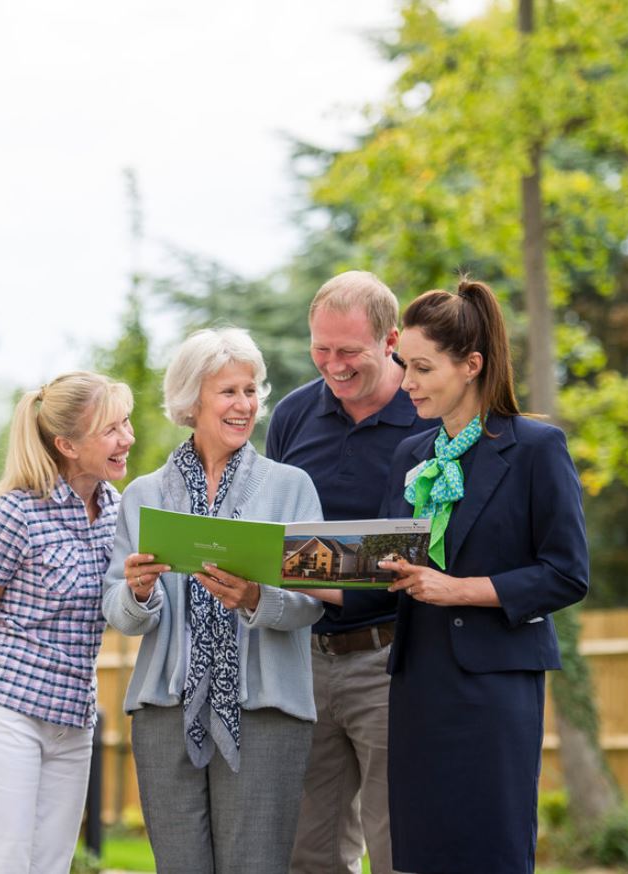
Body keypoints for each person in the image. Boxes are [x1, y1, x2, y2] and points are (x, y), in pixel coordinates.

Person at [333, 278, 590, 873]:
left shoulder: (536, 449)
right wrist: (275, 576)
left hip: (494, 687)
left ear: (471, 364)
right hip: (419, 678)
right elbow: (385, 567)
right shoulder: (410, 456)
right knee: (418, 854)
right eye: (403, 365)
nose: (407, 383)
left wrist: (458, 590)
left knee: (490, 851)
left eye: (422, 368)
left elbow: (567, 574)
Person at [102, 328, 325, 874]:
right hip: (164, 710)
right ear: (191, 401)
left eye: (251, 391)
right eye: (228, 392)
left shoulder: (291, 487)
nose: (244, 405)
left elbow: (315, 600)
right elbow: (117, 610)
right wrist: (139, 591)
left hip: (268, 711)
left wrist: (255, 598)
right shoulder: (144, 495)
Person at [266, 271, 437, 874]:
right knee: (307, 850)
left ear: (391, 341)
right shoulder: (292, 416)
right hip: (302, 657)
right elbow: (274, 524)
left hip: (389, 659)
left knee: (397, 844)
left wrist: (306, 570)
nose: (332, 366)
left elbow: (420, 553)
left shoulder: (427, 420)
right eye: (321, 349)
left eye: (348, 352)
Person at [0, 371, 135, 874]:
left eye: (127, 423)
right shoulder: (13, 514)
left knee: (50, 865)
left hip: (72, 720)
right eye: (112, 429)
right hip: (4, 710)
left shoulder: (122, 514)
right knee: (2, 863)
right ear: (67, 444)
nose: (128, 439)